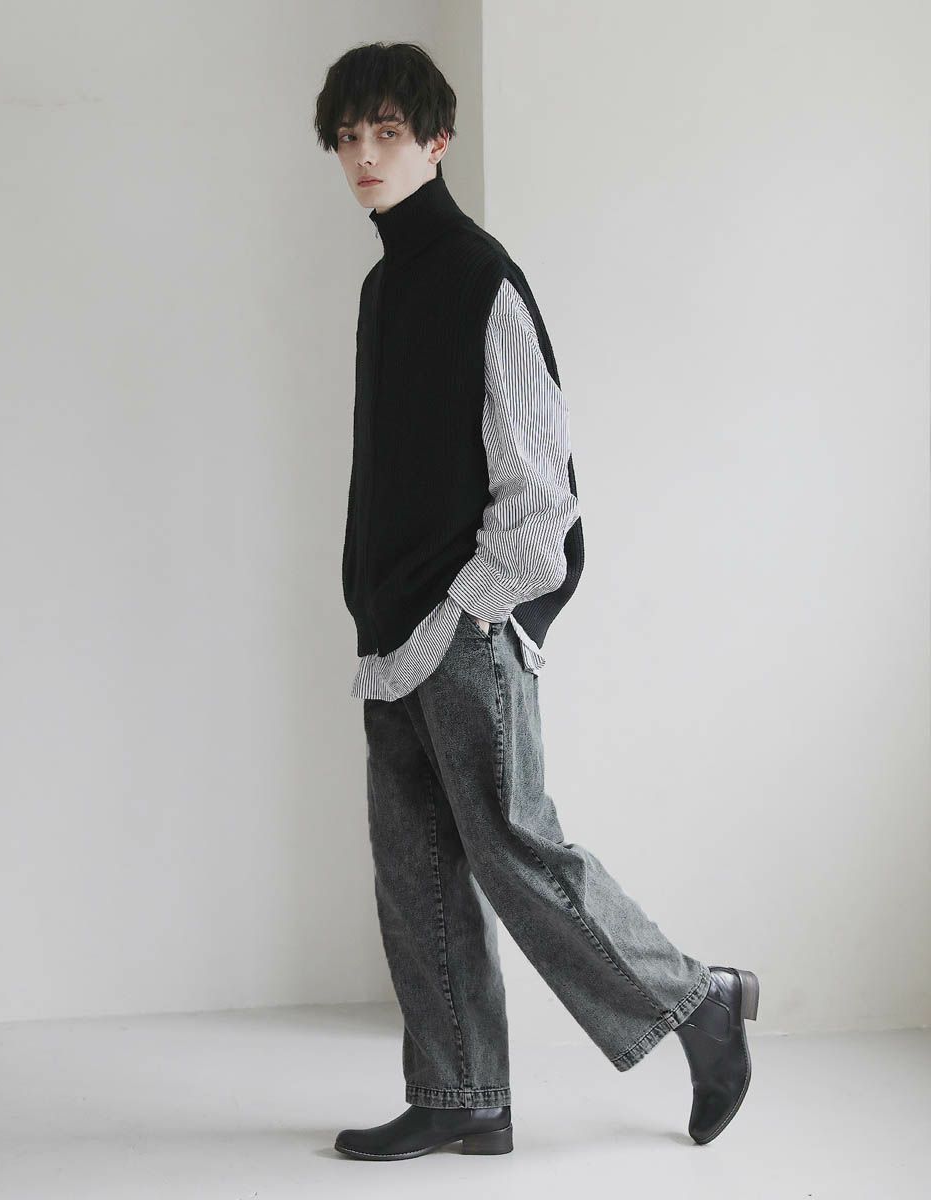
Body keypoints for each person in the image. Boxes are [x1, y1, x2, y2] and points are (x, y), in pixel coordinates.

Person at [313, 40, 759, 1161]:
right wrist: (371, 598)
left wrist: (477, 608)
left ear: (437, 141)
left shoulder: (480, 276)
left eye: (388, 133)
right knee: (414, 875)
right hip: (389, 630)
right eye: (350, 136)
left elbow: (540, 483)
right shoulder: (383, 285)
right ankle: (461, 1092)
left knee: (518, 855)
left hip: (464, 624)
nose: (366, 155)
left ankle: (697, 1001)